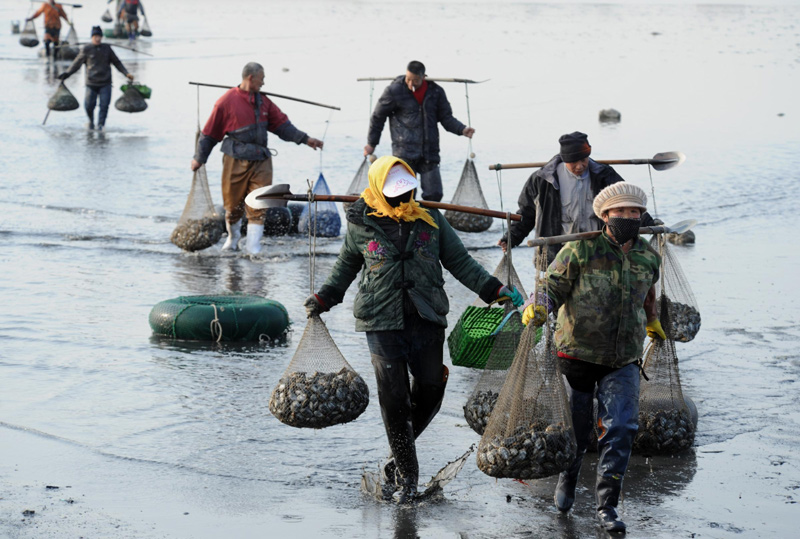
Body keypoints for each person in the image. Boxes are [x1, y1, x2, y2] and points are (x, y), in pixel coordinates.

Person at [304, 155, 524, 504]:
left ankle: (395, 462)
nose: (402, 201)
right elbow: (345, 267)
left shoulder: (430, 219)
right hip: (381, 321)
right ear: (379, 190)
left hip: (426, 317)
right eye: (394, 195)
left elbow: (459, 262)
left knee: (431, 391)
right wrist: (323, 298)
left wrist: (494, 289)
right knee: (395, 401)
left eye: (406, 193)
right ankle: (409, 479)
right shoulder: (361, 224)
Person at [522, 182, 666, 533]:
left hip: (624, 358)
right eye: (621, 212)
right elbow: (551, 287)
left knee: (621, 428)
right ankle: (567, 479)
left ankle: (608, 507)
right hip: (577, 355)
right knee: (578, 431)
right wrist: (538, 307)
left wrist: (652, 321)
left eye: (635, 212)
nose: (629, 217)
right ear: (604, 216)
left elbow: (648, 294)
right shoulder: (579, 251)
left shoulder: (649, 255)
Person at [191, 62, 324, 255]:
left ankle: (253, 248)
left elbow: (283, 126)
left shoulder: (264, 102)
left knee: (259, 202)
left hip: (261, 160)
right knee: (232, 205)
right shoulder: (225, 102)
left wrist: (306, 139)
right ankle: (233, 238)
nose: (263, 83)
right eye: (261, 79)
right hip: (234, 159)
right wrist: (199, 159)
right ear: (250, 78)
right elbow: (210, 134)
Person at [498, 131, 656, 263]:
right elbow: (526, 214)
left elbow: (627, 202)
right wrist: (511, 238)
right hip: (558, 253)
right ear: (564, 159)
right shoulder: (543, 180)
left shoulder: (604, 175)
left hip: (599, 251)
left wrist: (650, 224)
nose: (580, 166)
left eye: (583, 159)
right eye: (573, 162)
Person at [364, 61, 475, 202]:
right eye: (408, 79)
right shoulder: (394, 91)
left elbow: (446, 118)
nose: (411, 83)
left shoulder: (436, 92)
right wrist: (371, 143)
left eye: (415, 80)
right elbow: (378, 117)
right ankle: (407, 223)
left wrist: (462, 129)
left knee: (434, 195)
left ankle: (428, 222)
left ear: (424, 77)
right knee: (404, 196)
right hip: (403, 152)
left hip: (430, 152)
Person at [58, 26, 134, 132]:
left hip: (106, 83)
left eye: (99, 36)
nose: (97, 39)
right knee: (89, 105)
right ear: (92, 37)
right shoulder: (86, 49)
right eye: (95, 36)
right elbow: (76, 64)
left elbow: (117, 63)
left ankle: (101, 125)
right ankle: (91, 121)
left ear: (102, 37)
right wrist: (67, 74)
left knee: (104, 106)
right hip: (91, 83)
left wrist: (126, 73)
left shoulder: (107, 48)